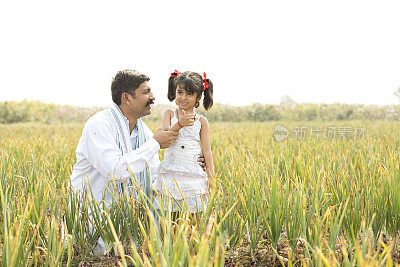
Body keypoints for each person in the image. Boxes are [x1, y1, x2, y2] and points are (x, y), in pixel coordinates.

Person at [68, 69, 206, 251]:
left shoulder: (144, 131)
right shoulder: (99, 125)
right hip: (95, 222)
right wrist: (155, 143)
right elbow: (114, 171)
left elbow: (155, 174)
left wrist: (189, 165)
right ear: (127, 98)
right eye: (146, 92)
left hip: (127, 226)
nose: (153, 97)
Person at [154, 70, 215, 214]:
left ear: (198, 96)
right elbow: (167, 139)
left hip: (192, 172)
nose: (183, 97)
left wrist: (211, 177)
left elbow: (207, 151)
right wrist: (179, 124)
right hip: (171, 171)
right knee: (170, 215)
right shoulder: (169, 114)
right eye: (180, 92)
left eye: (189, 94)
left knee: (192, 216)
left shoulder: (201, 121)